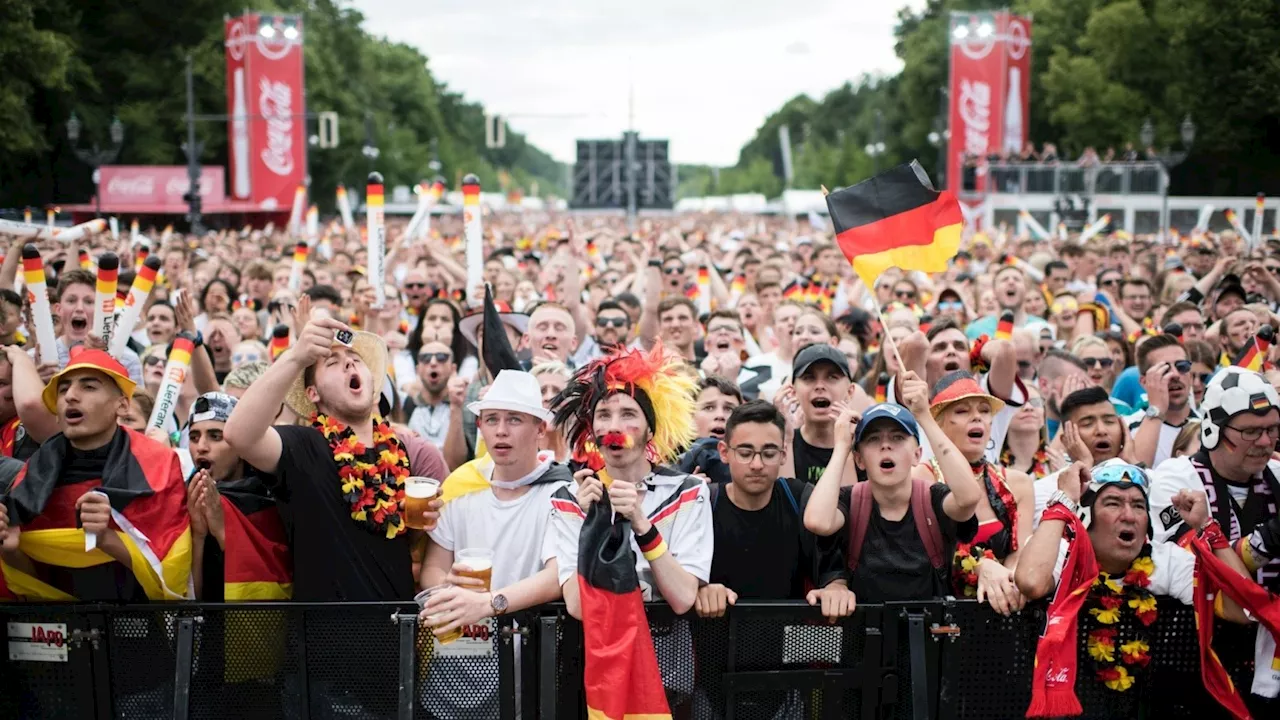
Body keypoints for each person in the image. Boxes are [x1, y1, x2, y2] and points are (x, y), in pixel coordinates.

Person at [223, 312, 440, 601]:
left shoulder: (398, 452)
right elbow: (238, 435)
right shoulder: (302, 446)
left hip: (394, 631)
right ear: (313, 393)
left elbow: (397, 542)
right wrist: (296, 356)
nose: (349, 362)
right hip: (325, 636)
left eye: (355, 359)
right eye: (332, 363)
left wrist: (420, 525)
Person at [1015, 462, 1253, 712]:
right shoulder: (1061, 551)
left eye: (1138, 505)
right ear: (1086, 517)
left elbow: (1243, 609)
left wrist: (1207, 528)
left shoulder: (1165, 561)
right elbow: (1031, 581)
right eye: (1113, 503)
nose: (1128, 515)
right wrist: (1064, 500)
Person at [418, 370, 571, 718]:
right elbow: (433, 567)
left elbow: (556, 576)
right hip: (457, 661)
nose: (501, 430)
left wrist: (488, 603)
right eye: (491, 419)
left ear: (540, 429)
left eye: (514, 419)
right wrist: (449, 591)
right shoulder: (462, 486)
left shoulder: (561, 492)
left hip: (527, 666)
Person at [0, 349, 190, 601]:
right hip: (61, 630)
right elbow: (39, 588)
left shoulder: (160, 466)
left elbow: (177, 577)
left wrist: (106, 539)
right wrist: (11, 551)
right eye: (63, 388)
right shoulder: (33, 476)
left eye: (89, 387)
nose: (71, 396)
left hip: (141, 631)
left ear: (122, 405)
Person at [547, 343, 709, 617]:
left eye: (628, 414)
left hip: (668, 657)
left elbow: (682, 597)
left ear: (650, 431)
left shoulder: (688, 492)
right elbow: (577, 606)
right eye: (603, 415)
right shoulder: (569, 498)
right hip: (598, 654)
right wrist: (594, 524)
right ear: (591, 431)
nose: (613, 427)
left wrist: (641, 524)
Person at [803, 372, 983, 603]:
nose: (886, 445)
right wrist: (841, 448)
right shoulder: (850, 500)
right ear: (859, 459)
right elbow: (817, 521)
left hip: (930, 635)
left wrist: (924, 416)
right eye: (873, 439)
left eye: (897, 438)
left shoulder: (932, 498)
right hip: (867, 636)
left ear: (917, 454)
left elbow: (968, 498)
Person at [696, 400, 855, 618]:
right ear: (724, 452)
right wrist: (699, 589)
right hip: (715, 644)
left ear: (783, 454)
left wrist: (836, 589)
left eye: (768, 453)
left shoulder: (799, 498)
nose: (757, 464)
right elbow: (678, 580)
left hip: (790, 643)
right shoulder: (703, 505)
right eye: (745, 452)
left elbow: (831, 569)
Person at [916, 372, 1033, 613]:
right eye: (962, 411)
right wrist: (980, 566)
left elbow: (1020, 552)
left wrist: (1007, 583)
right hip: (938, 612)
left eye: (984, 410)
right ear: (939, 424)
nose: (977, 418)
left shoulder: (1018, 484)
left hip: (1003, 611)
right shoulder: (920, 479)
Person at [184, 392, 290, 601]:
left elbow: (274, 587)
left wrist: (225, 530)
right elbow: (180, 595)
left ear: (241, 446)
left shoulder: (272, 501)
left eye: (215, 436)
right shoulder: (181, 497)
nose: (201, 447)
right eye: (194, 437)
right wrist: (197, 536)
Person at [779, 344, 860, 485]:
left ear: (850, 391)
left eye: (832, 377)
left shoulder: (863, 448)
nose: (820, 386)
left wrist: (846, 446)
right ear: (793, 391)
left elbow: (848, 505)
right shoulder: (785, 441)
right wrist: (785, 439)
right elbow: (784, 503)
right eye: (809, 378)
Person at [54, 269, 144, 383]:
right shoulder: (38, 358)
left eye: (88, 302)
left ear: (100, 310)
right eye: (71, 301)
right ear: (58, 309)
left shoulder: (127, 360)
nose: (79, 308)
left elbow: (137, 401)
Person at [1127, 334, 1196, 468]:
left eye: (1182, 366)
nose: (1175, 375)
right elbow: (1139, 471)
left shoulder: (1208, 424)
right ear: (1144, 382)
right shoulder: (1126, 427)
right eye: (1164, 369)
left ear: (1191, 376)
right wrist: (1156, 409)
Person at [678, 376, 744, 486]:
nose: (720, 415)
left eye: (729, 409)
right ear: (690, 417)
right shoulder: (665, 467)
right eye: (709, 408)